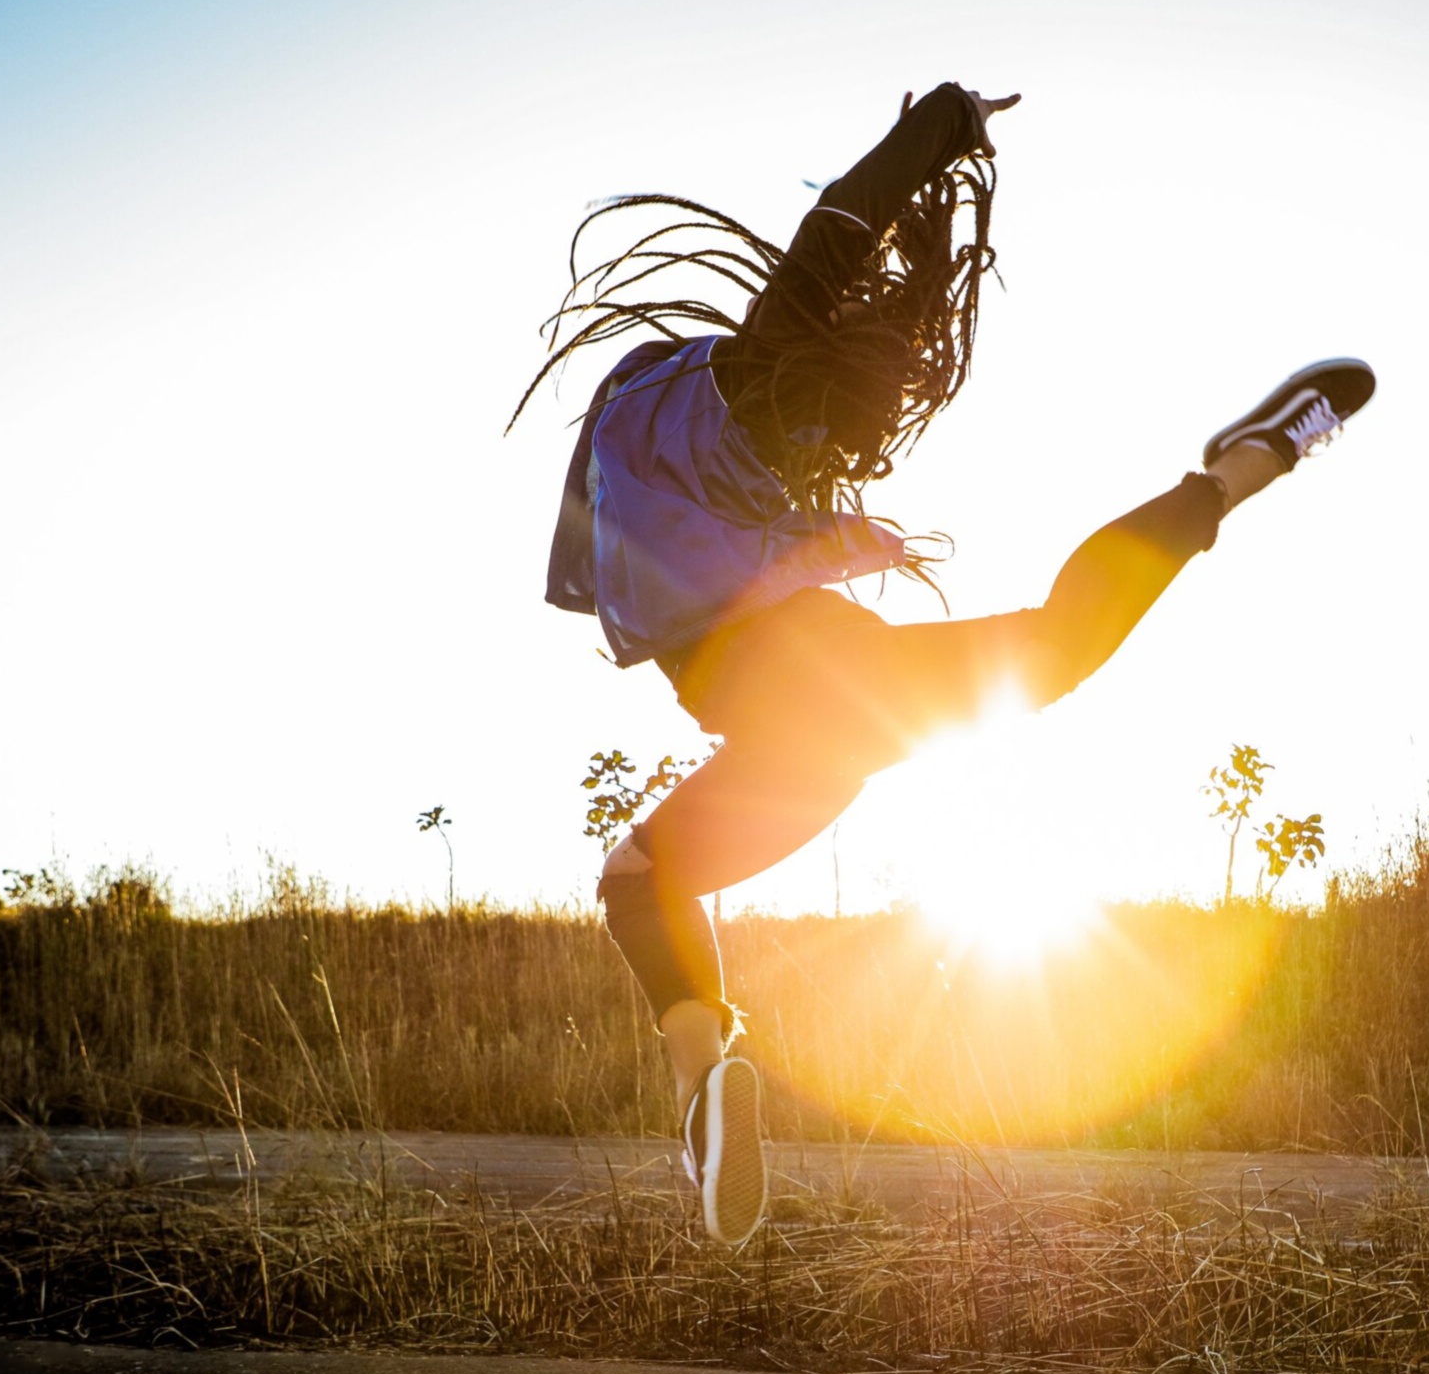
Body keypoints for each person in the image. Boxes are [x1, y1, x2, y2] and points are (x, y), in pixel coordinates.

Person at [519, 84, 1375, 1245]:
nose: (832, 459)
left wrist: (940, 131)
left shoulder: (689, 428)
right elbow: (843, 221)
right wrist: (939, 130)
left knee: (637, 878)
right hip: (834, 714)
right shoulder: (754, 387)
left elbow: (838, 228)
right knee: (1055, 645)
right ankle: (1233, 472)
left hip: (793, 720)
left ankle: (702, 1074)